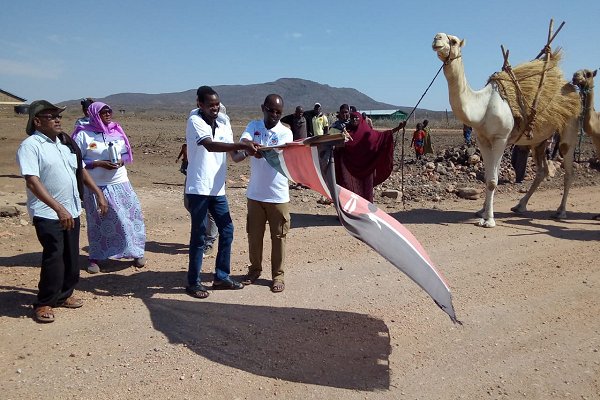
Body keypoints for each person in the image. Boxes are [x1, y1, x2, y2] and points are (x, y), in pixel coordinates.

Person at [16, 100, 108, 323]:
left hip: (72, 209)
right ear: (37, 122)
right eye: (51, 116)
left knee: (71, 257)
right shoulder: (30, 146)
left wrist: (98, 192)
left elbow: (81, 170)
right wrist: (58, 208)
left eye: (58, 116)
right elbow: (32, 181)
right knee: (54, 257)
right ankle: (44, 302)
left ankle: (64, 295)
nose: (57, 119)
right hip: (48, 213)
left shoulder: (64, 143)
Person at [184, 85, 259, 299]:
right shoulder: (195, 121)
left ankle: (221, 276)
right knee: (199, 235)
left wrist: (252, 151)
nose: (215, 108)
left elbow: (234, 156)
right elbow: (210, 145)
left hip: (217, 190)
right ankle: (193, 282)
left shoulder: (224, 123)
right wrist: (243, 145)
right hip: (198, 188)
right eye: (210, 105)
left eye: (217, 104)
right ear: (200, 104)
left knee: (227, 230)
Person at [72, 102, 146, 274]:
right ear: (93, 114)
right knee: (98, 221)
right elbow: (75, 160)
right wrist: (96, 163)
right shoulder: (83, 135)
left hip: (121, 183)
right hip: (95, 185)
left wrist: (122, 161)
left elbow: (127, 152)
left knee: (131, 217)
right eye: (103, 112)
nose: (107, 114)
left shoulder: (116, 131)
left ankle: (137, 252)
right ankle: (95, 257)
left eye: (109, 111)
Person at [234, 94, 293, 293]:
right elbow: (244, 141)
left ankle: (278, 275)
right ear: (263, 108)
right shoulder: (254, 126)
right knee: (254, 236)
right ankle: (254, 270)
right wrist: (249, 147)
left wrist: (257, 150)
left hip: (278, 195)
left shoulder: (286, 133)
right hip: (256, 194)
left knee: (278, 238)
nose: (274, 115)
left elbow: (279, 152)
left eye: (278, 112)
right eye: (271, 110)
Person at [335, 112, 405, 202]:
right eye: (352, 118)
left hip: (367, 169)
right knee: (351, 193)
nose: (354, 120)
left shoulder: (368, 133)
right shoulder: (346, 133)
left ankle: (365, 213)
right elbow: (337, 147)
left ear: (361, 119)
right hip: (350, 171)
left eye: (356, 118)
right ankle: (350, 213)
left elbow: (383, 136)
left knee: (366, 192)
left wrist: (398, 128)